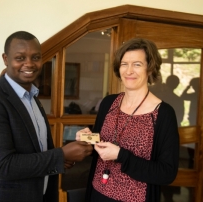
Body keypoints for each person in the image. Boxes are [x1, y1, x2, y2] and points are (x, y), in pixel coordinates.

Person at [0, 31, 93, 202]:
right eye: (20, 58)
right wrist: (61, 155)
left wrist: (59, 161)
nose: (29, 64)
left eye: (35, 57)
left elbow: (35, 151)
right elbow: (4, 166)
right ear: (6, 59)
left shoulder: (33, 98)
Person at [76, 38, 180, 202]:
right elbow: (99, 142)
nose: (129, 71)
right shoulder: (108, 103)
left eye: (137, 64)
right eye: (124, 64)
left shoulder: (163, 114)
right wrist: (86, 138)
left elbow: (167, 173)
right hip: (97, 193)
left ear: (150, 69)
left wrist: (121, 155)